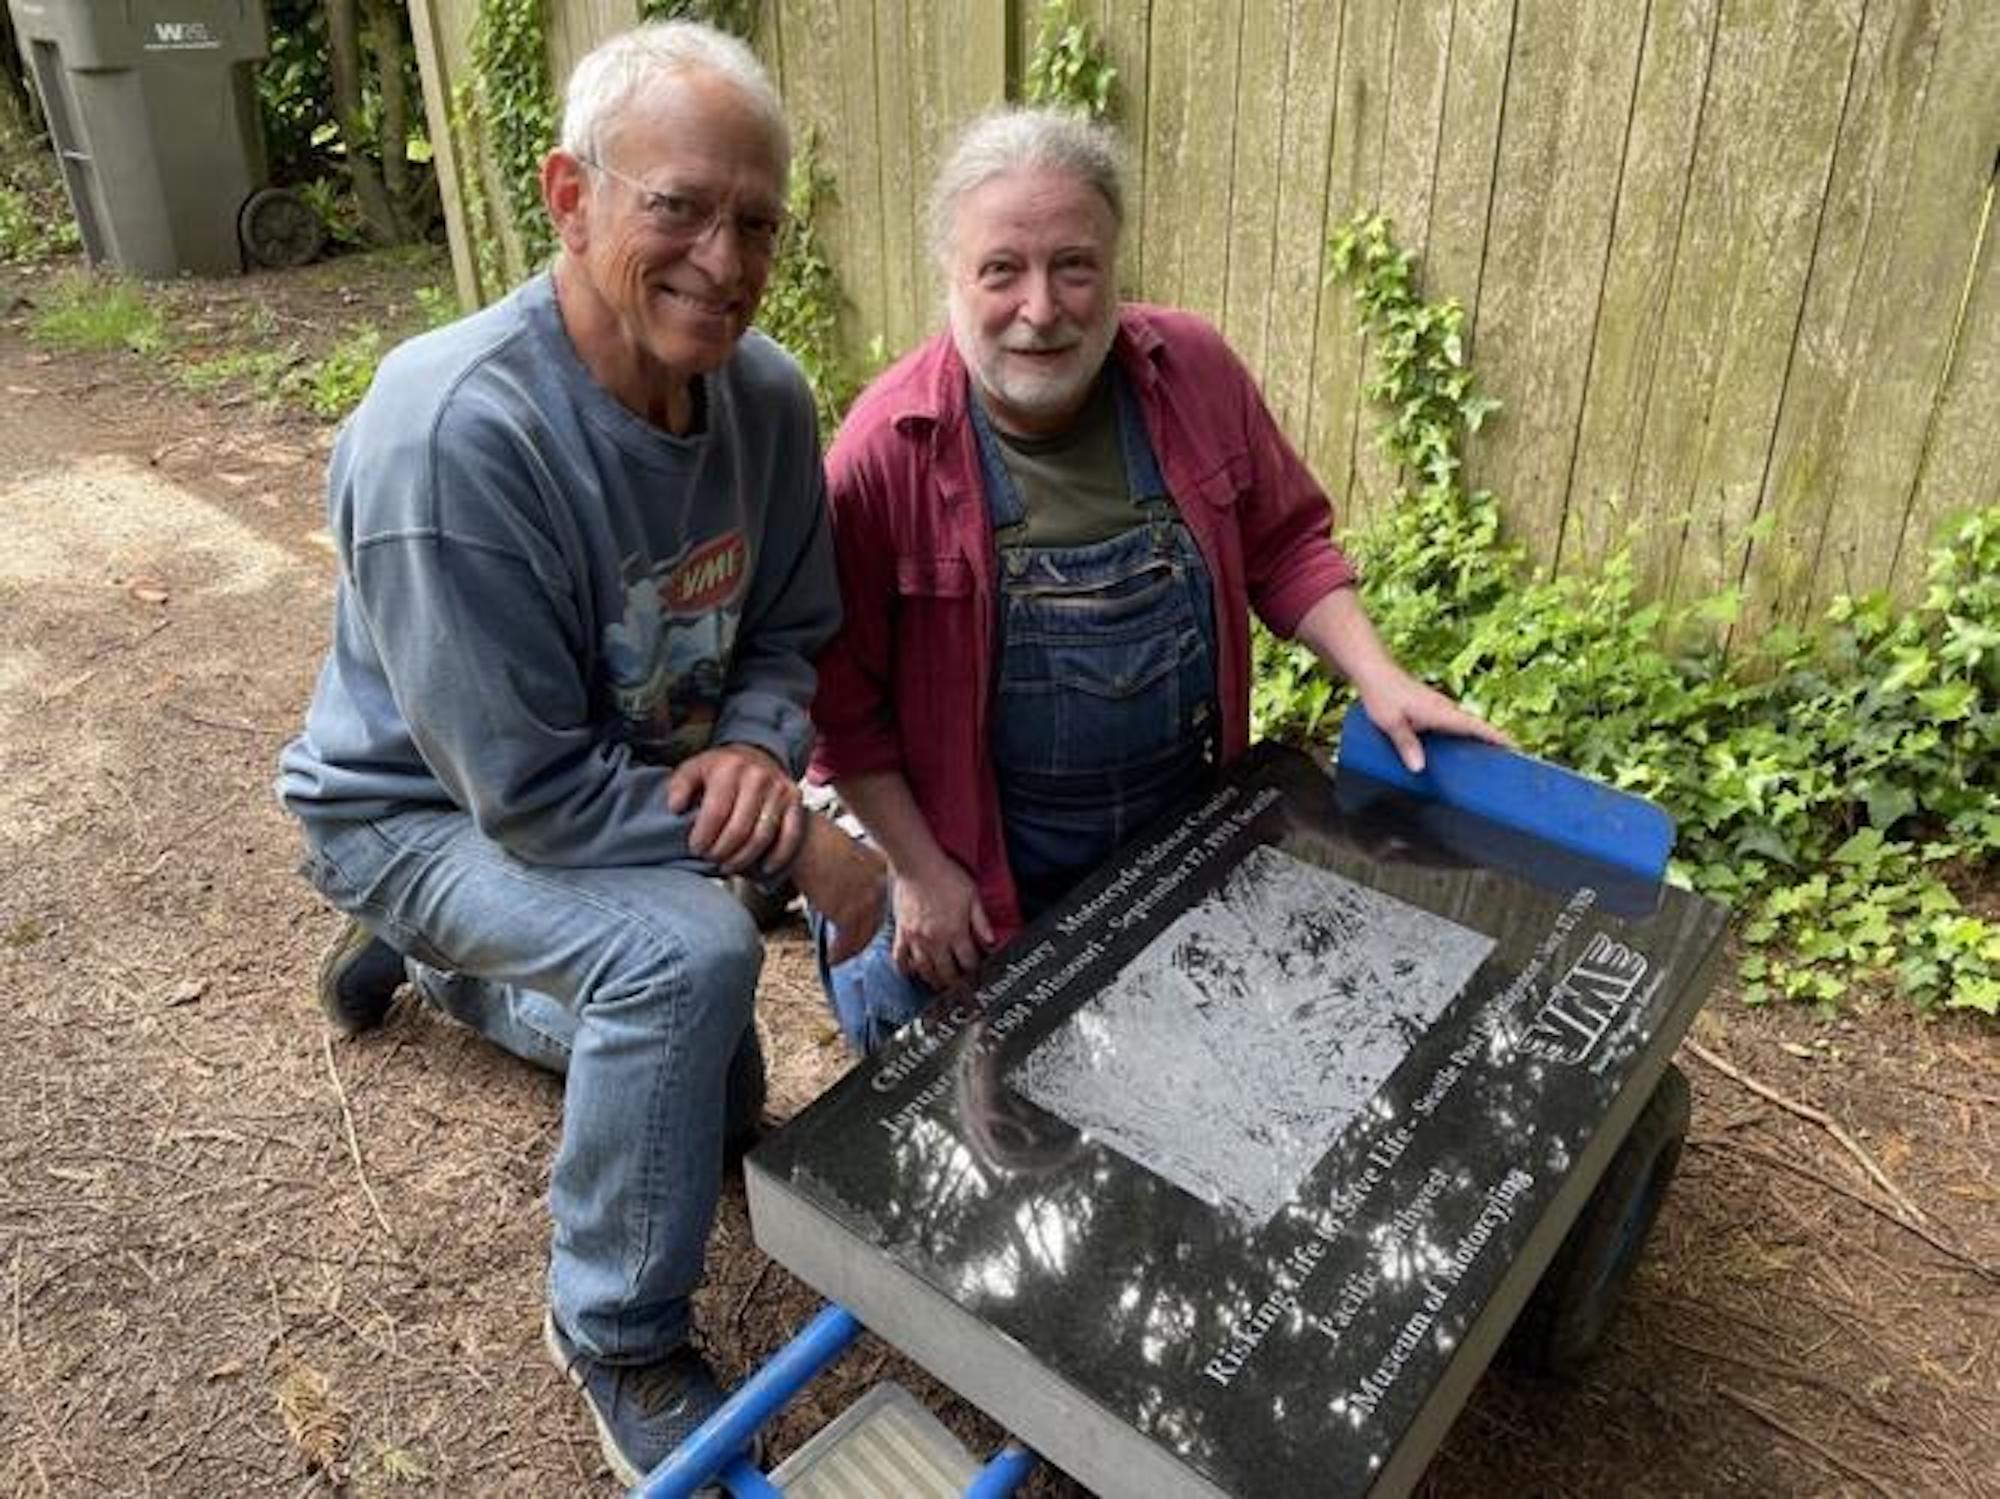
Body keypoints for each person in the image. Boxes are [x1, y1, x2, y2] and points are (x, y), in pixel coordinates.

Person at [275, 21, 881, 1486]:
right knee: (684, 962)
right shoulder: (451, 436)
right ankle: (613, 1324)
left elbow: (793, 625)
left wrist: (752, 744)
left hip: (600, 774)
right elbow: (531, 797)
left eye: (755, 220)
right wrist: (797, 840)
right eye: (677, 205)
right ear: (569, 195)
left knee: (719, 1099)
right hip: (420, 804)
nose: (723, 260)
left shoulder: (770, 397)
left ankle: (448, 968)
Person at [806, 108, 1501, 1055]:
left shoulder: (1194, 372)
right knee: (927, 1061)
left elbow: (1287, 543)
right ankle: (802, 878)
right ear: (951, 278)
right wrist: (921, 871)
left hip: (1179, 837)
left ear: (1117, 263)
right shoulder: (882, 454)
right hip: (977, 864)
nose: (1042, 309)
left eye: (1075, 265)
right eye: (1001, 270)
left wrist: (1380, 678)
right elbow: (840, 707)